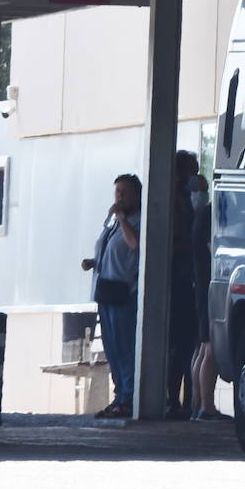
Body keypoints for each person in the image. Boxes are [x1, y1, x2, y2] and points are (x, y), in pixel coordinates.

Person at [81, 174, 142, 419]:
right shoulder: (112, 223)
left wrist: (122, 217)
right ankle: (119, 396)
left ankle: (129, 397)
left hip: (123, 292)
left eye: (125, 192)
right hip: (104, 290)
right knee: (112, 348)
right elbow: (110, 251)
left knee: (125, 346)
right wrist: (94, 261)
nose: (119, 197)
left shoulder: (135, 221)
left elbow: (134, 245)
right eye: (117, 192)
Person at [188, 175, 227, 420]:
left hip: (201, 288)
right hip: (210, 288)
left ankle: (197, 404)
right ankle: (207, 407)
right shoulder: (211, 216)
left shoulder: (202, 216)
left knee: (202, 349)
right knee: (209, 350)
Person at [166, 150, 200, 418]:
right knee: (182, 342)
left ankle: (187, 400)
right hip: (179, 275)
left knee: (188, 343)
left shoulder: (185, 197)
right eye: (193, 169)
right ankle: (174, 399)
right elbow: (179, 234)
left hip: (185, 275)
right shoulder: (174, 198)